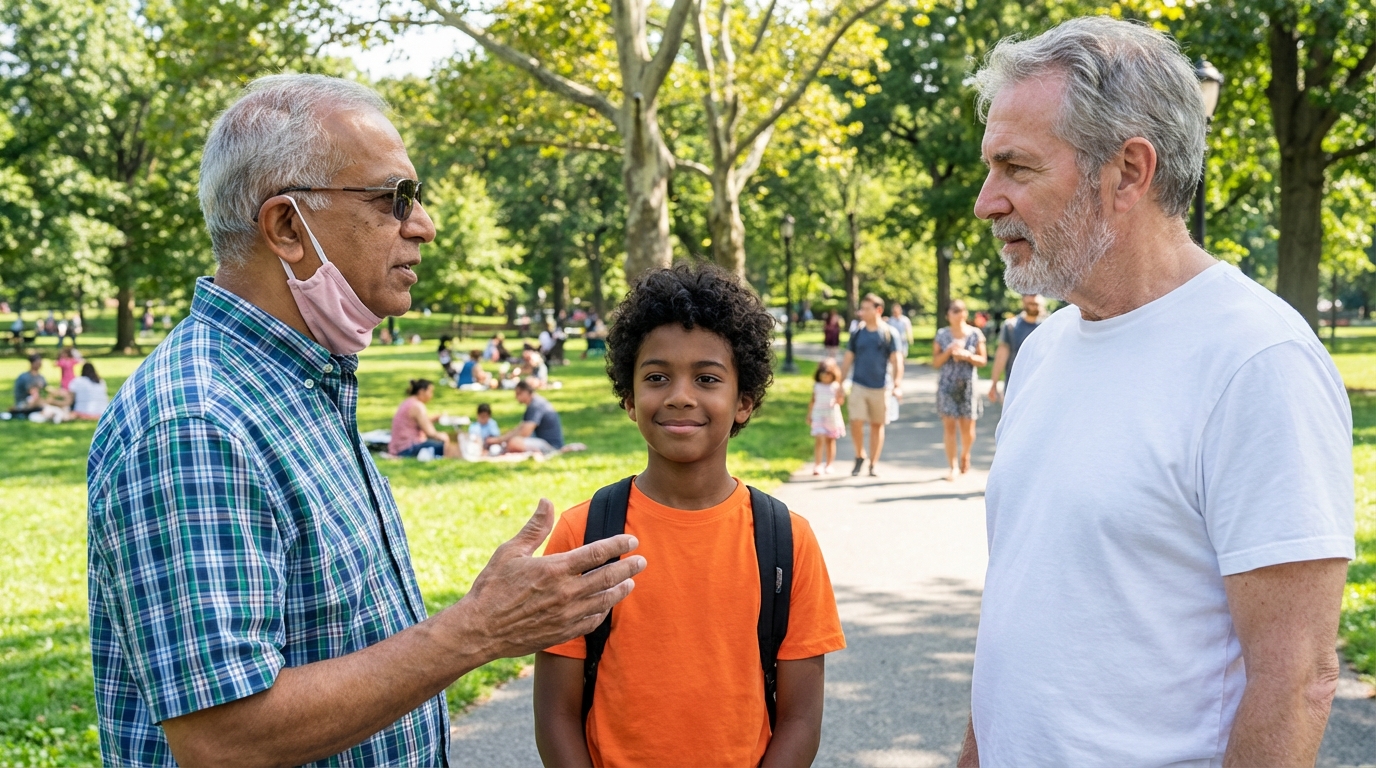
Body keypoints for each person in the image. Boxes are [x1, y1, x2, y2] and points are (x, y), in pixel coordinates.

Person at [85, 74, 644, 767]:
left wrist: (473, 621)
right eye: (393, 199)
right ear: (288, 227)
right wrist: (476, 631)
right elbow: (223, 738)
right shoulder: (198, 422)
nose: (424, 225)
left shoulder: (299, 381)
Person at [958, 18, 1354, 767]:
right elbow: (1022, 614)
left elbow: (1297, 677)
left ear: (1129, 172)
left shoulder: (1256, 361)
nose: (987, 201)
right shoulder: (1042, 352)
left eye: (1017, 168)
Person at [533, 263, 844, 767]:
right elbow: (555, 715)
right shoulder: (584, 534)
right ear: (630, 399)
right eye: (657, 377)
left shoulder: (787, 539)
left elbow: (801, 719)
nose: (681, 396)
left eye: (706, 378)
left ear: (743, 400)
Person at [839, 294, 903, 477]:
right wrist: (840, 383)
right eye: (862, 308)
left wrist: (897, 385)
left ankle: (873, 463)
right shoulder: (857, 333)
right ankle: (860, 455)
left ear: (878, 310)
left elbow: (897, 360)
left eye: (866, 309)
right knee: (856, 421)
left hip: (881, 387)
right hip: (859, 384)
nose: (862, 312)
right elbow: (848, 359)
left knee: (877, 425)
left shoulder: (889, 333)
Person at [933, 300, 987, 480]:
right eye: (954, 311)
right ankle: (952, 466)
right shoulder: (941, 335)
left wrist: (968, 356)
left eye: (961, 310)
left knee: (967, 427)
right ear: (948, 314)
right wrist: (948, 352)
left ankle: (965, 454)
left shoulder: (975, 334)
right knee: (949, 426)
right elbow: (936, 363)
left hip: (968, 385)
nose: (958, 314)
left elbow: (983, 360)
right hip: (947, 385)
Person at [987, 294, 1046, 402]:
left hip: (1042, 385)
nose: (1033, 305)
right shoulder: (1011, 326)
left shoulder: (1049, 325)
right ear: (1023, 301)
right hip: (1015, 384)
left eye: (1036, 304)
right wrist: (994, 384)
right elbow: (1001, 355)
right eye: (1030, 303)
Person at [487, 378, 564, 455]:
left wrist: (502, 441)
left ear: (526, 392)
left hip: (550, 445)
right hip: (541, 441)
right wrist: (501, 439)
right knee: (512, 440)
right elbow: (520, 428)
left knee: (514, 443)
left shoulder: (536, 405)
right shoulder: (533, 404)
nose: (516, 397)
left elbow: (525, 432)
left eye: (518, 394)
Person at [388, 379, 457, 459]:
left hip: (398, 448)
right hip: (408, 449)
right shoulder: (417, 406)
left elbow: (416, 422)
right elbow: (431, 433)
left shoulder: (408, 402)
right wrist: (445, 437)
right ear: (421, 392)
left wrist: (434, 419)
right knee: (449, 445)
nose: (431, 395)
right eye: (430, 392)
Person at [808, 358, 846, 475]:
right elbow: (813, 401)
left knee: (830, 440)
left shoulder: (835, 386)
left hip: (831, 416)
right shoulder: (817, 386)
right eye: (823, 376)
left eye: (827, 376)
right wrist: (809, 415)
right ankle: (818, 465)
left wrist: (841, 393)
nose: (825, 379)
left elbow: (840, 401)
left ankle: (829, 464)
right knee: (819, 439)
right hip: (819, 415)